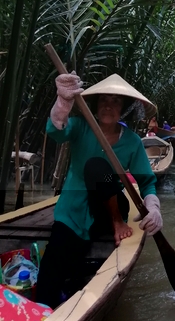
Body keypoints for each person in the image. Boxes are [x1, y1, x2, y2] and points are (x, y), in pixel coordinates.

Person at [36, 72, 163, 309]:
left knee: (98, 168)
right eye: (104, 99)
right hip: (73, 210)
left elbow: (147, 182)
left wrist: (154, 208)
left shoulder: (132, 141)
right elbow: (56, 131)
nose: (108, 105)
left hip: (110, 208)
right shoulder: (80, 127)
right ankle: (43, 312)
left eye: (115, 101)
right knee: (55, 260)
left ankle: (116, 223)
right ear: (95, 104)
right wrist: (62, 103)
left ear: (123, 108)